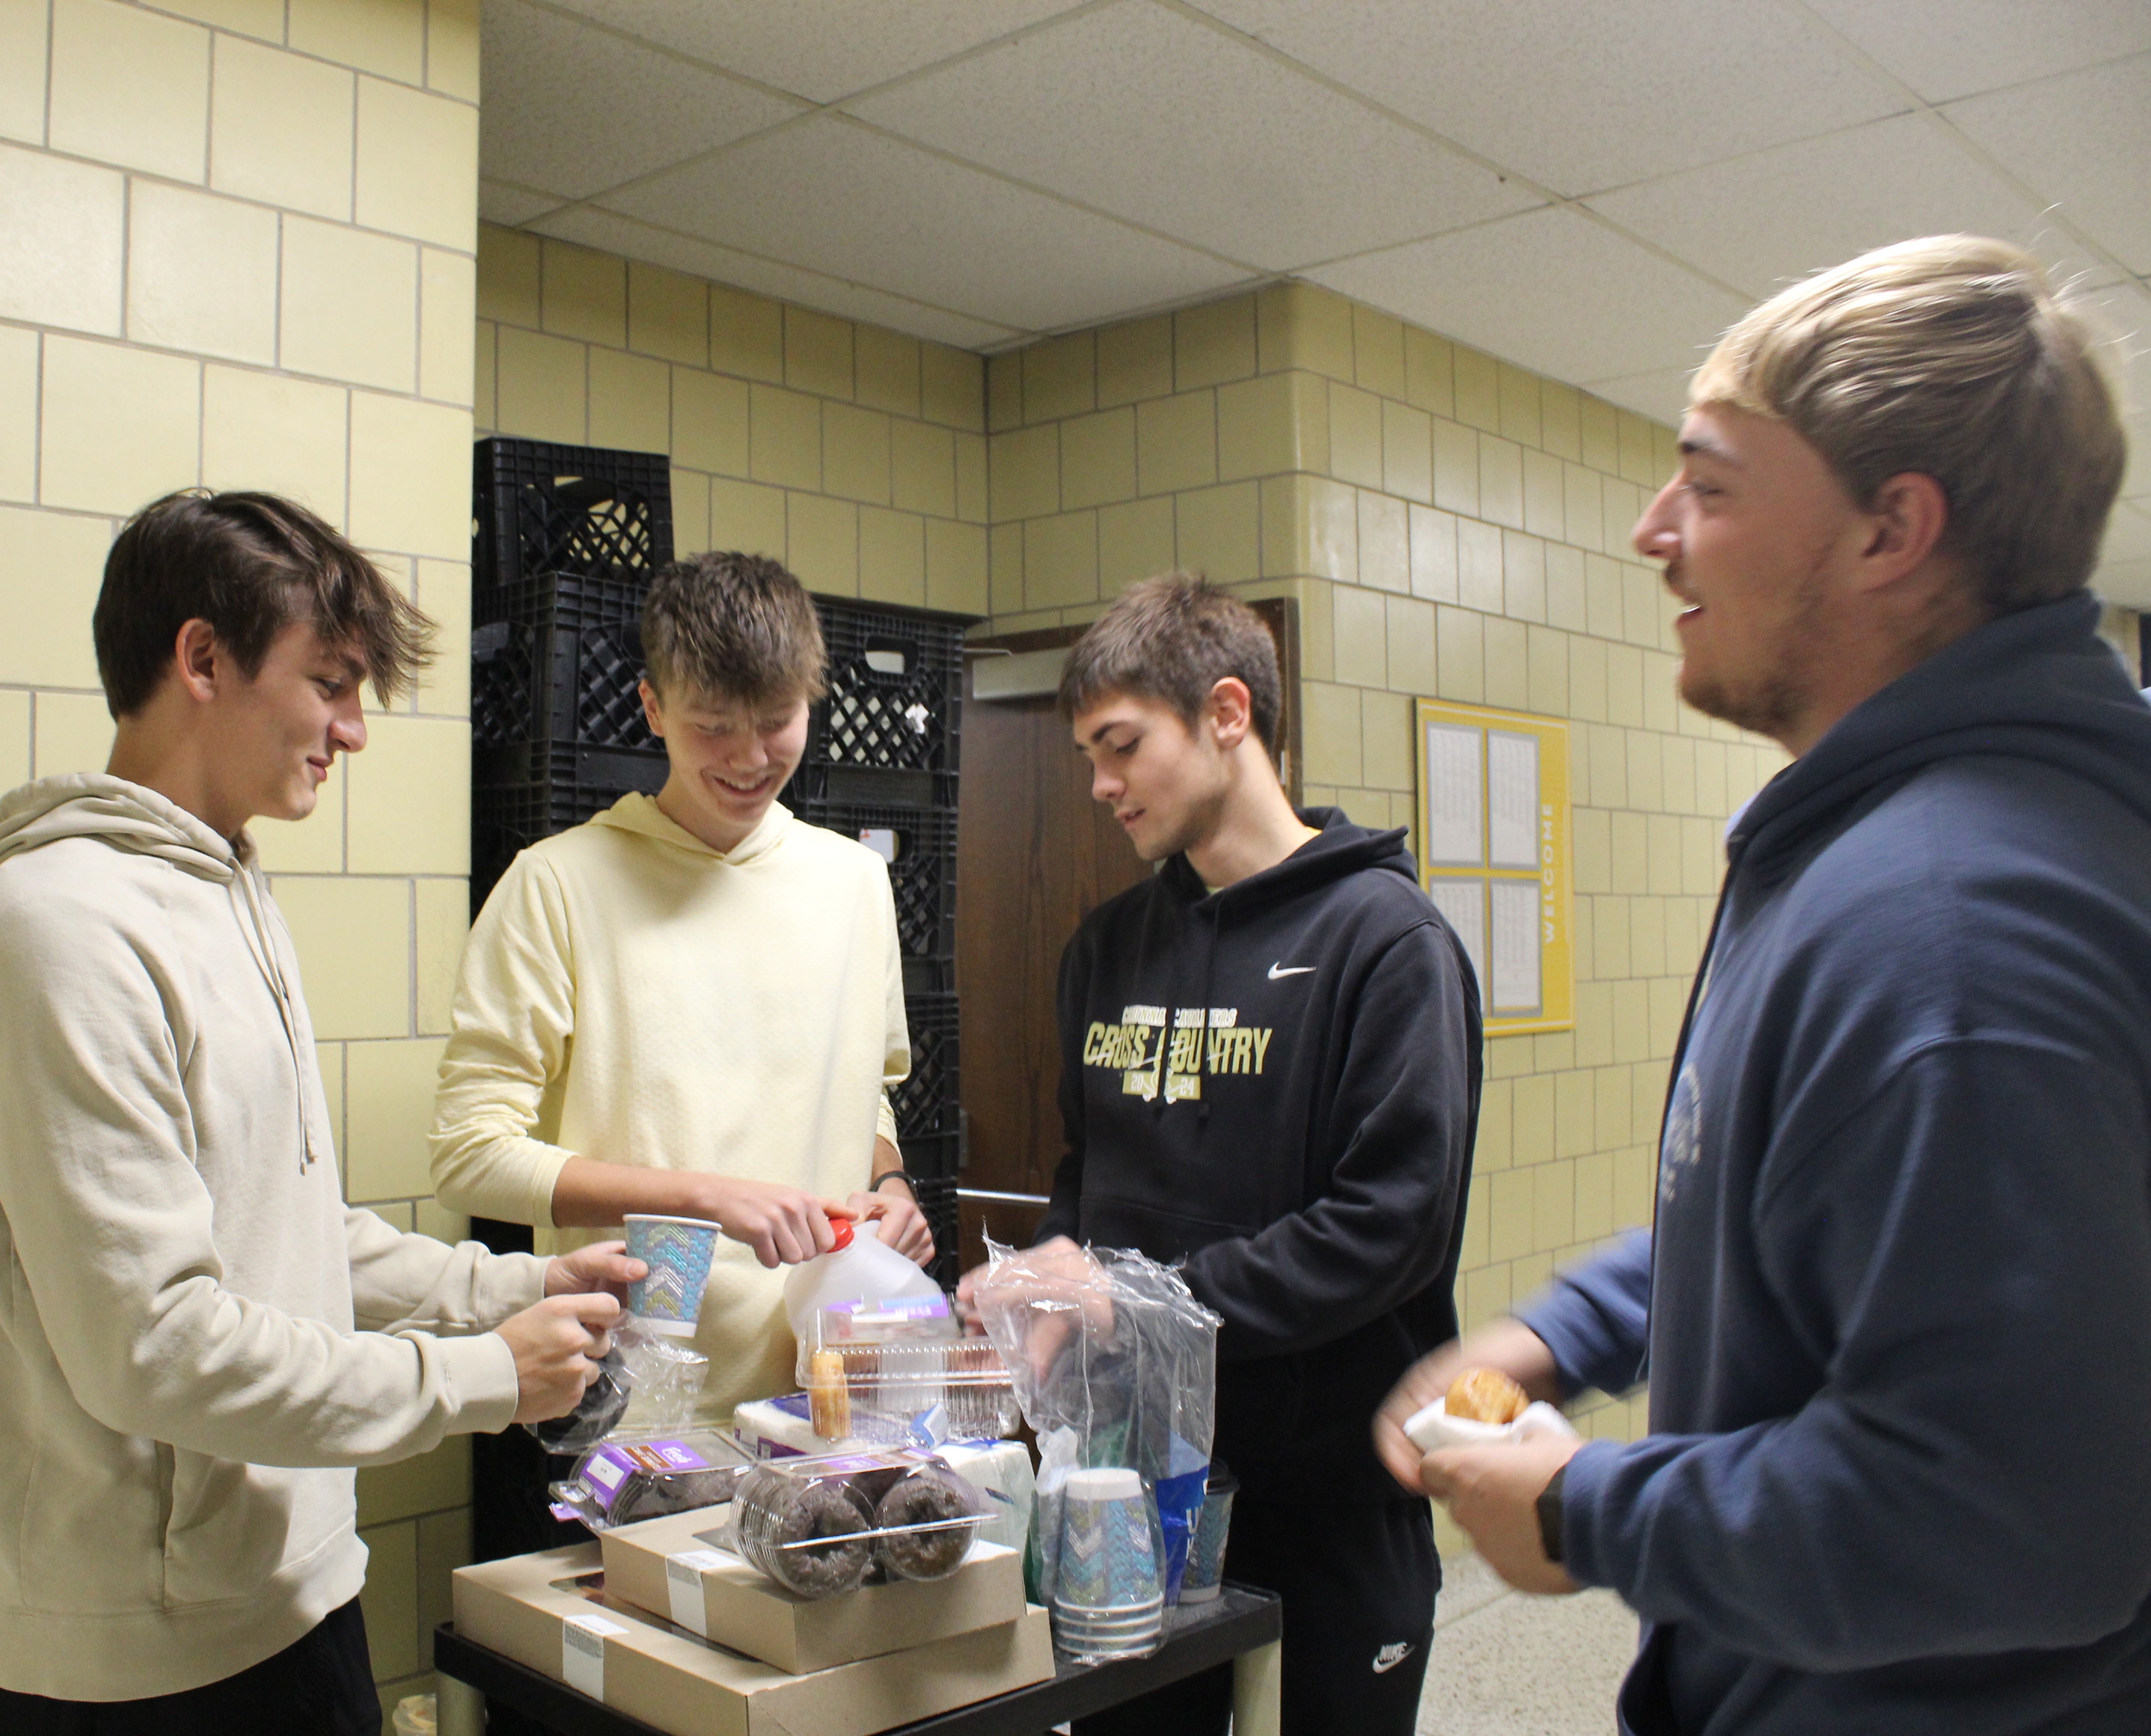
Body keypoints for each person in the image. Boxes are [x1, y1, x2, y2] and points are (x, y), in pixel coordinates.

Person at [1376, 236, 2151, 1734]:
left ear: (1890, 533)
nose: (1654, 528)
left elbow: (2018, 1519)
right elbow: (1812, 1219)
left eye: (1712, 485)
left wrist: (1592, 1508)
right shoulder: (1882, 848)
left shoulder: (1952, 929)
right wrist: (1568, 1334)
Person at [0, 490, 642, 1735]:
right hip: (133, 1660)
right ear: (201, 658)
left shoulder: (229, 892)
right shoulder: (58, 930)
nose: (353, 730)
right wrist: (481, 1373)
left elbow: (294, 1231)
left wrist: (506, 1293)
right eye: (332, 683)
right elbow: (153, 1339)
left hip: (292, 1590)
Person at [970, 573, 1481, 1736]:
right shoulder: (1105, 948)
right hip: (1129, 1498)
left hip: (1331, 1501)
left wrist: (1135, 1298)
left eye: (1122, 747)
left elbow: (1386, 1229)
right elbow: (1085, 1184)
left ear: (1228, 715)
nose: (1099, 787)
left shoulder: (1388, 944)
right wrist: (1041, 1283)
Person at [429, 551, 929, 1422]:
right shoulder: (559, 884)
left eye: (776, 722)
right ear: (652, 708)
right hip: (638, 1397)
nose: (748, 757)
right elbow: (469, 1157)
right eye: (712, 727)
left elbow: (866, 1094)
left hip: (829, 1380)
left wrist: (890, 1188)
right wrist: (707, 1198)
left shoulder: (853, 883)